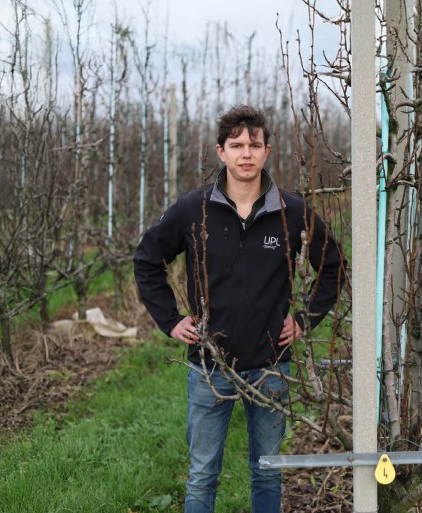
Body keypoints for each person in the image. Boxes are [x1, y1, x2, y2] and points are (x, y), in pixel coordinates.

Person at [134, 105, 344, 513]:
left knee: (267, 470)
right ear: (220, 152)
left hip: (271, 365)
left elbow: (333, 265)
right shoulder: (192, 210)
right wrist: (171, 320)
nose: (245, 153)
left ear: (267, 152)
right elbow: (147, 260)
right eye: (236, 145)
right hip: (208, 364)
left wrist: (304, 319)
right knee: (202, 474)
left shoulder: (292, 211)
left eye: (254, 145)